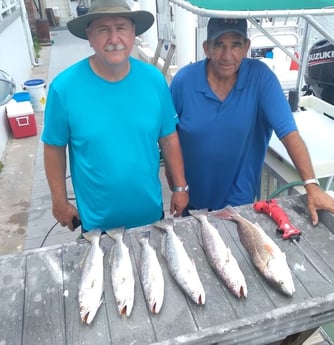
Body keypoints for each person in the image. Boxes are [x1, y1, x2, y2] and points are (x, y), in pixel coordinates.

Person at [169, 17, 334, 225]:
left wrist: (311, 186)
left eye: (235, 45)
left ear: (246, 47)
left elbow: (288, 132)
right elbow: (168, 136)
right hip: (191, 200)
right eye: (219, 45)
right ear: (206, 48)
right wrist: (177, 187)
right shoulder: (184, 81)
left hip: (239, 204)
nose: (227, 55)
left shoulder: (261, 78)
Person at [42, 0, 189, 232]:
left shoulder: (154, 80)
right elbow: (53, 147)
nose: (113, 39)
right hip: (97, 227)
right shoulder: (64, 88)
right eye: (103, 29)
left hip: (151, 217)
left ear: (133, 35)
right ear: (89, 37)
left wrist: (180, 188)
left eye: (121, 28)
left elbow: (168, 137)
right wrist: (59, 201)